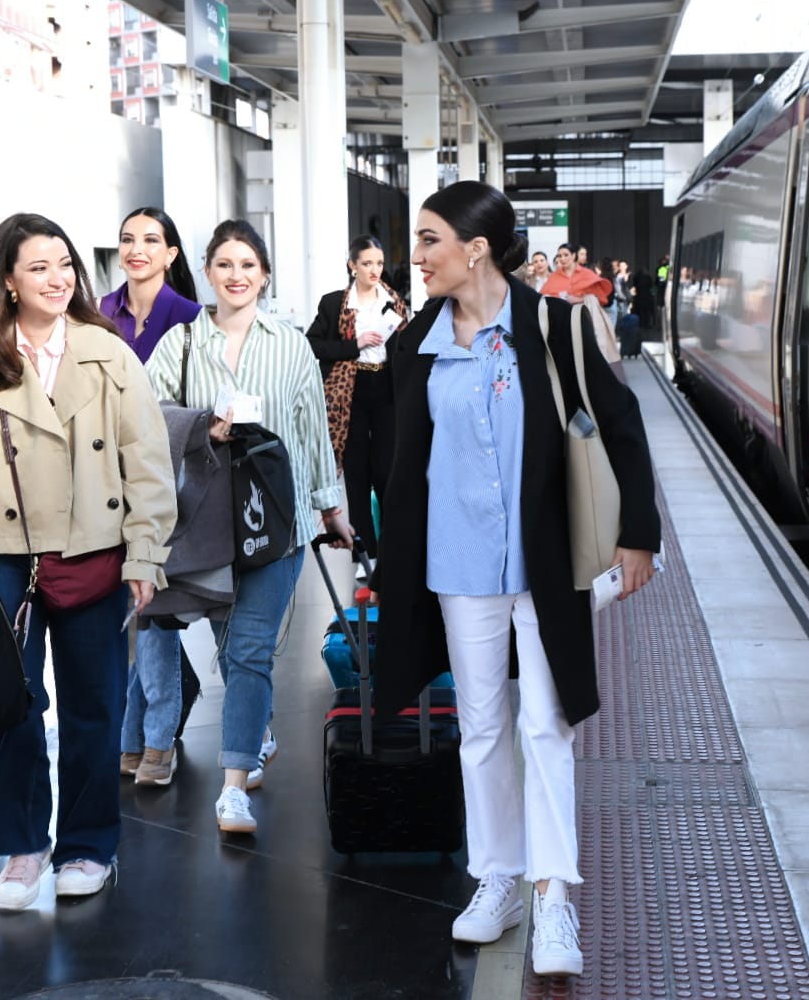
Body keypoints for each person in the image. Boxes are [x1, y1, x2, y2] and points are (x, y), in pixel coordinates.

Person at [374, 181, 661, 978]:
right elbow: (401, 462)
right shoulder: (414, 344)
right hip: (455, 562)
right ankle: (495, 877)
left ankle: (552, 897)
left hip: (546, 558)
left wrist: (637, 534)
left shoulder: (555, 326)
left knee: (547, 721)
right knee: (481, 727)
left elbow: (621, 425)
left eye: (429, 240)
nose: (416, 255)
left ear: (474, 248)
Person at [0, 212, 175, 909]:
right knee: (12, 706)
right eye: (39, 267)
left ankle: (87, 845)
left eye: (65, 265)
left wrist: (144, 553)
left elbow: (148, 465)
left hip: (95, 555)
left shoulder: (109, 355)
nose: (58, 279)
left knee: (94, 709)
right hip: (7, 559)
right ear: (8, 281)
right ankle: (24, 844)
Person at [144, 218, 352, 833]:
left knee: (249, 648)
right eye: (225, 265)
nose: (237, 276)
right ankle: (252, 728)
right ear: (208, 272)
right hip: (205, 524)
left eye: (248, 266)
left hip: (276, 524)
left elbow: (314, 429)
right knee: (233, 649)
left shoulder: (290, 344)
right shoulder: (180, 344)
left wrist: (330, 507)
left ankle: (232, 785)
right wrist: (200, 426)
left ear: (264, 276)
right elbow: (146, 419)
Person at [100, 206, 204, 788]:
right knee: (135, 610)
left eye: (150, 240)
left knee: (154, 611)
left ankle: (149, 738)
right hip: (105, 479)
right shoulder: (97, 316)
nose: (136, 248)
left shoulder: (189, 319)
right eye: (127, 239)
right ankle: (142, 730)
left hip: (169, 477)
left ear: (171, 254)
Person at [306, 234, 410, 576]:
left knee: (387, 472)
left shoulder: (394, 302)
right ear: (352, 265)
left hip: (386, 389)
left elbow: (406, 348)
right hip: (349, 391)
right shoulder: (335, 303)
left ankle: (393, 550)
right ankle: (365, 557)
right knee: (356, 474)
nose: (374, 270)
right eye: (367, 263)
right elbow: (314, 345)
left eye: (379, 263)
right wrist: (355, 343)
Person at [541, 242, 619, 360]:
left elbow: (602, 299)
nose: (562, 258)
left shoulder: (587, 274)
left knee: (587, 359)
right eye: (559, 256)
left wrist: (581, 299)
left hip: (585, 323)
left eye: (565, 255)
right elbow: (543, 298)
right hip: (562, 326)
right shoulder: (554, 277)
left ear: (573, 255)